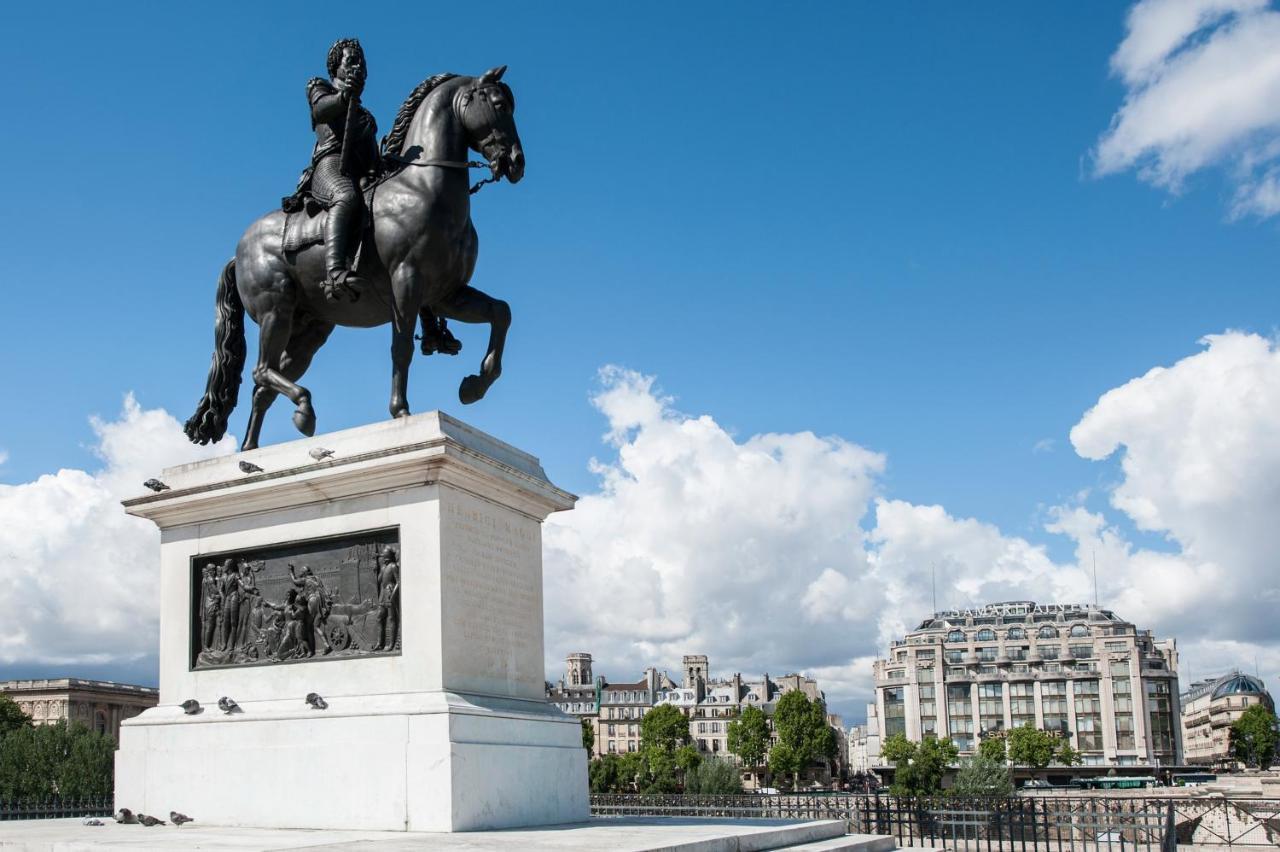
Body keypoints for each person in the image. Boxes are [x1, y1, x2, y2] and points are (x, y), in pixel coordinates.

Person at [303, 38, 380, 302]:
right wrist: (344, 96)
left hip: (359, 173)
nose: (358, 67)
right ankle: (334, 274)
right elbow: (321, 111)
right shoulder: (319, 87)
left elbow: (372, 158)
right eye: (351, 61)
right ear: (336, 67)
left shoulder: (365, 116)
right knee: (345, 197)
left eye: (362, 63)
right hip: (330, 165)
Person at [372, 545, 401, 651]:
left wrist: (393, 595)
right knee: (379, 618)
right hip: (383, 596)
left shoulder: (393, 566)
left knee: (392, 619)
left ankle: (391, 644)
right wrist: (378, 569)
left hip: (390, 594)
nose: (382, 556)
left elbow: (398, 582)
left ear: (387, 556)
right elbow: (379, 581)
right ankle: (380, 643)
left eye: (384, 555)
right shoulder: (384, 567)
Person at [199, 563, 221, 652]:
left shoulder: (204, 579)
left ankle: (205, 646)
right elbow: (215, 591)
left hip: (207, 604)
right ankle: (206, 646)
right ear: (209, 571)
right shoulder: (211, 579)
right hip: (211, 604)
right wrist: (219, 583)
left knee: (206, 626)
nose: (215, 572)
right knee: (209, 626)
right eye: (213, 570)